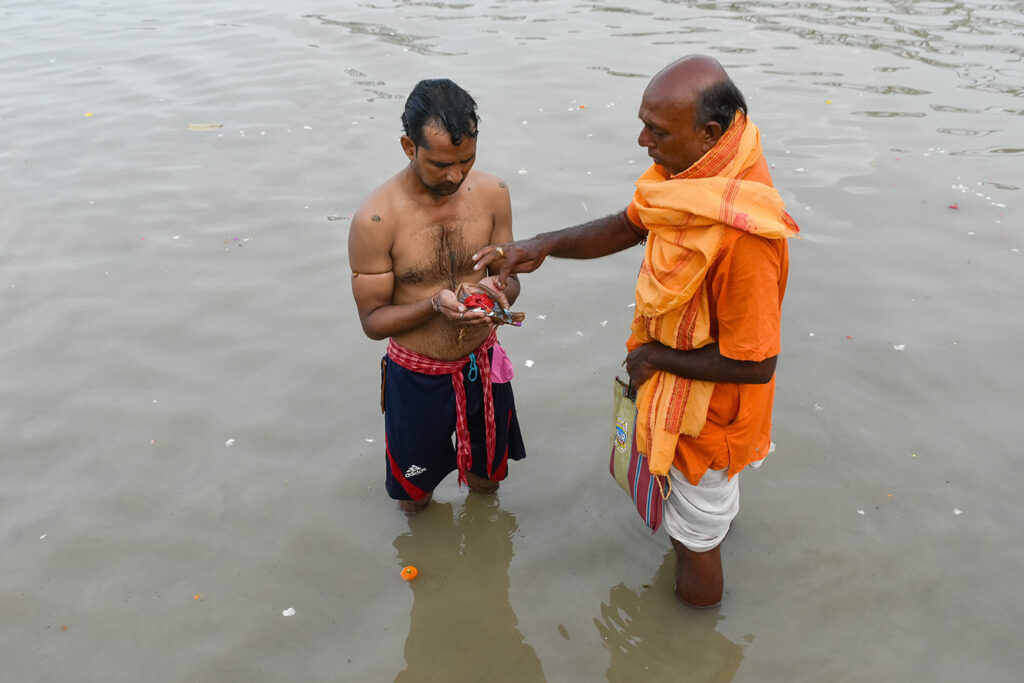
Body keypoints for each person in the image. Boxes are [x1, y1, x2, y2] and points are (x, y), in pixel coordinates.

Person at [473, 55, 798, 607]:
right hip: (680, 382)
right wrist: (542, 246)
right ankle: (711, 533)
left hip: (708, 414)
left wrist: (656, 359)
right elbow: (633, 222)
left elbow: (757, 363)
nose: (642, 140)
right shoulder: (699, 173)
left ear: (709, 133)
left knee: (694, 544)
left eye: (658, 130)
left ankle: (692, 639)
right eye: (643, 122)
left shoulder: (746, 238)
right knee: (703, 519)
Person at [350, 78, 526, 515]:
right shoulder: (376, 218)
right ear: (409, 147)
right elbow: (372, 322)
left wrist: (493, 290)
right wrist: (434, 304)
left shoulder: (493, 194)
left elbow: (511, 279)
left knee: (489, 483)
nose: (455, 175)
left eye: (466, 160)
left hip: (481, 366)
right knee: (415, 500)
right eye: (442, 164)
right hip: (417, 378)